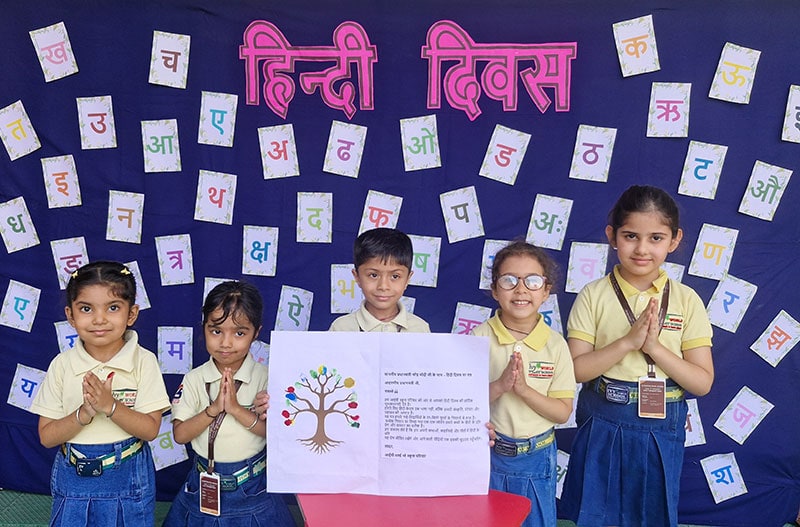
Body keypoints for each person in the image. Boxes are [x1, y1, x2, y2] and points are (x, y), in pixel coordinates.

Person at [560, 185, 714, 527]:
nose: (642, 249)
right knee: (596, 512)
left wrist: (654, 347)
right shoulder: (593, 295)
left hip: (663, 422)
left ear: (674, 240)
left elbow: (702, 382)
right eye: (631, 236)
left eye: (656, 238)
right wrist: (627, 342)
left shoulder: (687, 300)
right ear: (612, 236)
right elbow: (576, 370)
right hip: (602, 414)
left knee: (652, 514)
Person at [31, 261, 170, 526]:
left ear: (132, 314)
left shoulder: (144, 361)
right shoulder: (62, 364)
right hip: (73, 480)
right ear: (70, 316)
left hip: (128, 479)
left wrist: (111, 406)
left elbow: (151, 430)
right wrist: (83, 414)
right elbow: (47, 437)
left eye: (113, 308)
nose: (99, 319)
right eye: (86, 309)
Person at [163, 281, 295, 527]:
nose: (225, 343)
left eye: (239, 333)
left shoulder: (268, 378)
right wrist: (213, 409)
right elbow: (180, 435)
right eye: (216, 331)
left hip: (253, 486)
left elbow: (276, 436)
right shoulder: (194, 379)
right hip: (202, 482)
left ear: (256, 333)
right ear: (203, 328)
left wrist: (235, 409)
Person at [470, 241, 575, 527]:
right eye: (508, 280)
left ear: (546, 291)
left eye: (532, 281)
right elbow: (463, 403)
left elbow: (562, 412)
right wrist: (500, 386)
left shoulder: (556, 344)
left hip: (537, 457)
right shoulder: (478, 339)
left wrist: (524, 390)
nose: (520, 289)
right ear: (494, 290)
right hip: (489, 456)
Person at [329, 227, 430, 333]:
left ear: (407, 279)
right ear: (357, 277)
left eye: (395, 276)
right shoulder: (341, 329)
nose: (383, 286)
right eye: (373, 275)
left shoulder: (420, 329)